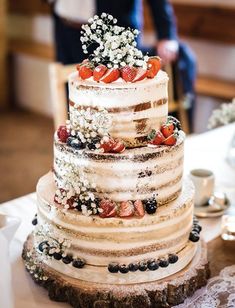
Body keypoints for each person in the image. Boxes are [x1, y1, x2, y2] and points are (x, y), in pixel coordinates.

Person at [48, 0, 196, 127]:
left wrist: (166, 33)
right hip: (64, 28)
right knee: (76, 101)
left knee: (120, 110)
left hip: (114, 31)